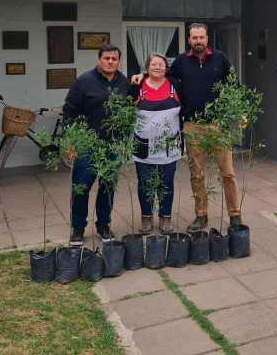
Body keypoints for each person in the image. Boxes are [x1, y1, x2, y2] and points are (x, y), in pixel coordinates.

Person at [133, 23, 240, 233]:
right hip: (192, 125)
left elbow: (233, 86)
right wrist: (142, 77)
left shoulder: (221, 58)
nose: (198, 41)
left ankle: (235, 214)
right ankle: (201, 215)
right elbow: (163, 76)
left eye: (201, 37)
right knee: (196, 174)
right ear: (189, 39)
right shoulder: (182, 61)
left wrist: (234, 113)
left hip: (218, 125)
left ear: (207, 38)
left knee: (227, 173)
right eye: (194, 38)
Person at [63, 44, 131, 245]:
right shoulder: (84, 81)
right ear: (99, 59)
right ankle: (77, 228)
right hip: (87, 145)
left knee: (107, 187)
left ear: (119, 61)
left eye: (114, 59)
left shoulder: (123, 82)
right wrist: (71, 141)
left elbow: (129, 108)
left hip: (113, 145)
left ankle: (103, 225)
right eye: (107, 58)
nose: (110, 62)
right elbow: (69, 112)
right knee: (81, 187)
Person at [132, 53, 182, 235]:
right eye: (153, 64)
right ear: (147, 68)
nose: (158, 67)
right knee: (145, 183)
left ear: (166, 68)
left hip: (169, 144)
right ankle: (146, 218)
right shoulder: (137, 86)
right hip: (142, 144)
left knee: (166, 183)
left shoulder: (175, 85)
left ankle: (165, 217)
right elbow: (126, 108)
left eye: (161, 64)